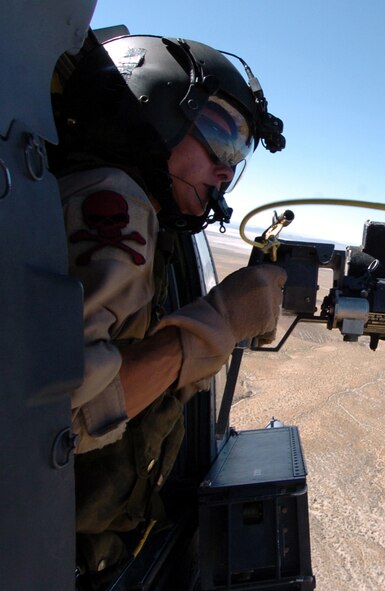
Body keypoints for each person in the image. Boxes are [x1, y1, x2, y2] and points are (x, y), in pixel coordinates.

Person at [50, 32, 287, 577]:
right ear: (151, 113)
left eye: (238, 155)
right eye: (221, 139)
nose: (227, 171)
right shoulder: (112, 202)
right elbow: (58, 420)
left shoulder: (154, 219)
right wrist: (218, 324)